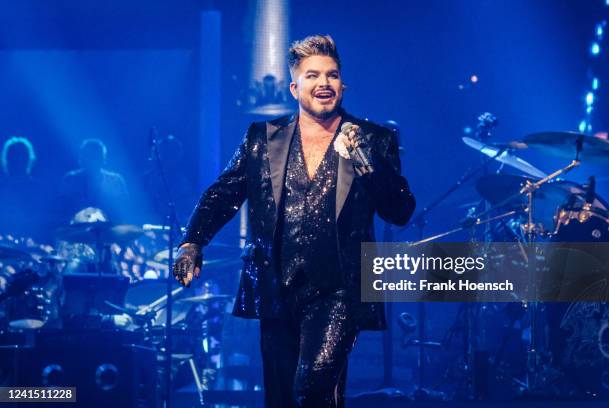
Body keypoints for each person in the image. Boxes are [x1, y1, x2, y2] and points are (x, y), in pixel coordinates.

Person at [173, 35, 416, 407]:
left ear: (342, 84)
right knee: (283, 396)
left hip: (340, 291)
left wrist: (367, 161)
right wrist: (193, 241)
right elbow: (224, 193)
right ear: (294, 86)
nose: (324, 84)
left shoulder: (373, 138)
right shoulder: (261, 139)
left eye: (332, 75)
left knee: (312, 387)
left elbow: (400, 211)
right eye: (313, 75)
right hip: (276, 286)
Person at [59, 138, 129, 222]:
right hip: (78, 228)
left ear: (103, 159)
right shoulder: (71, 179)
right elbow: (63, 208)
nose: (92, 160)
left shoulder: (115, 180)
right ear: (82, 159)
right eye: (89, 156)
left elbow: (124, 208)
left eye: (96, 156)